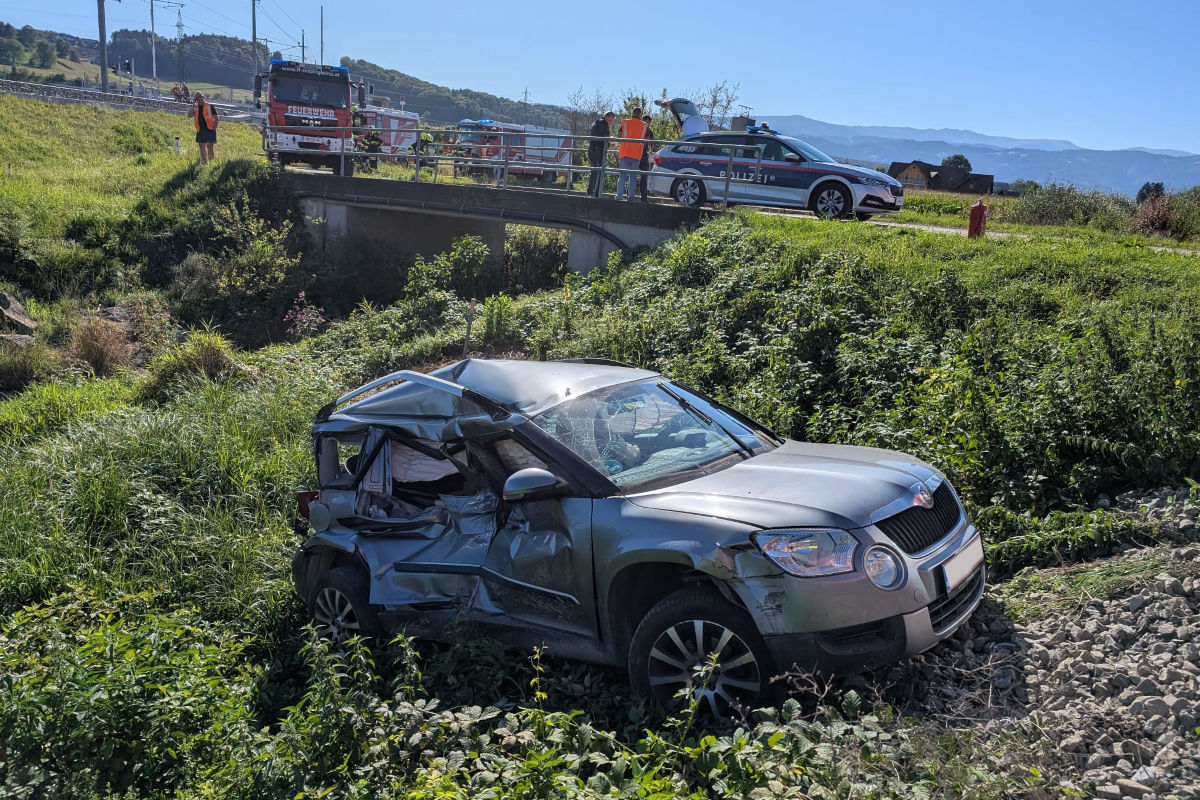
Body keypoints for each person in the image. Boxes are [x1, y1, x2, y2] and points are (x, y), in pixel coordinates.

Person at [615, 108, 648, 201]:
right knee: (633, 177)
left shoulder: (625, 122)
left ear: (632, 113)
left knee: (622, 176)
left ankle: (619, 197)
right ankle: (631, 198)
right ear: (640, 115)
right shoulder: (644, 125)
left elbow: (619, 136)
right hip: (637, 154)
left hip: (625, 153)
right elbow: (647, 140)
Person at [587, 111, 615, 198]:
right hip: (597, 151)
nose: (612, 122)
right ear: (608, 117)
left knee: (594, 171)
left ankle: (591, 191)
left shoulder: (597, 122)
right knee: (598, 172)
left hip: (593, 149)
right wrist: (611, 143)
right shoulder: (603, 123)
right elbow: (605, 138)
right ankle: (595, 194)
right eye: (612, 119)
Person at [188, 91, 218, 164]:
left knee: (209, 146)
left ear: (203, 97)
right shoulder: (195, 107)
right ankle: (204, 162)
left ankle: (211, 163)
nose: (199, 99)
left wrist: (214, 128)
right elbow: (189, 115)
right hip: (200, 129)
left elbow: (216, 118)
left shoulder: (209, 106)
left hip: (210, 129)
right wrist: (193, 105)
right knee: (201, 146)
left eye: (200, 97)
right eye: (197, 98)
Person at [637, 113, 653, 202]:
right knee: (632, 175)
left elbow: (651, 144)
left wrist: (650, 152)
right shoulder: (639, 129)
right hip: (636, 154)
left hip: (644, 155)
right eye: (645, 122)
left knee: (644, 177)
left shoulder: (650, 131)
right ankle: (629, 195)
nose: (647, 124)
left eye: (648, 123)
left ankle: (644, 197)